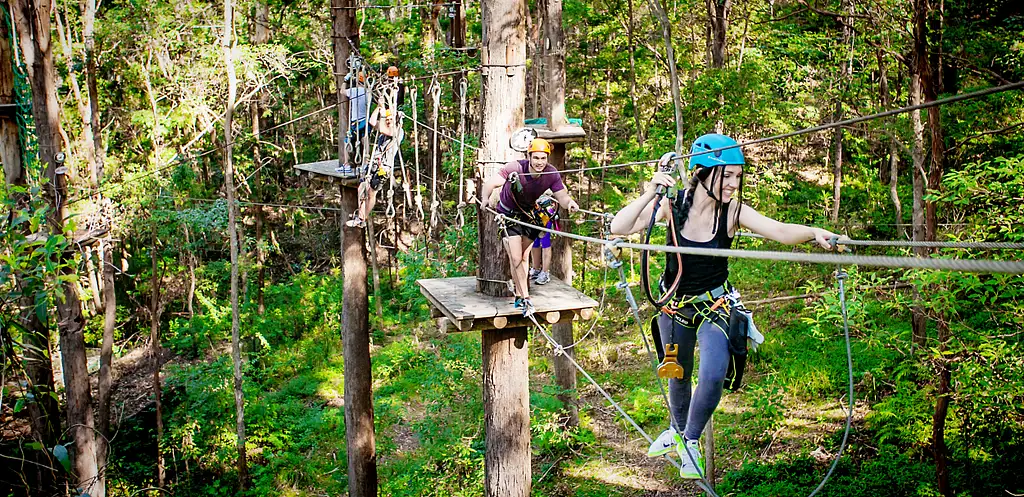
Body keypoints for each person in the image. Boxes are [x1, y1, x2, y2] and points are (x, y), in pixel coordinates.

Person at [609, 133, 845, 479]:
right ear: (703, 173)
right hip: (674, 309)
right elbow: (620, 226)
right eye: (727, 176)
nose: (734, 184)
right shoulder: (671, 207)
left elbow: (778, 231)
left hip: (715, 307)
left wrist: (813, 233)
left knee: (714, 373)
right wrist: (650, 191)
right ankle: (676, 430)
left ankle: (690, 441)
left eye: (738, 176)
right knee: (676, 372)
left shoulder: (733, 212)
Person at [481, 138, 579, 316]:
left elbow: (562, 196)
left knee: (523, 257)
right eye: (536, 158)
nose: (539, 162)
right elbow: (491, 183)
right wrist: (486, 198)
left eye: (543, 158)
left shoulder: (551, 174)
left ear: (547, 158)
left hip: (528, 215)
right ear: (529, 156)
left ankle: (519, 294)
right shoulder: (515, 168)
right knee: (516, 256)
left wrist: (570, 203)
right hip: (508, 215)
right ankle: (526, 298)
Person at [347, 97, 404, 228]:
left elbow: (385, 129)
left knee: (371, 192)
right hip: (374, 164)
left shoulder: (397, 131)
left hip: (384, 167)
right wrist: (379, 108)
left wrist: (384, 114)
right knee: (362, 188)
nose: (388, 122)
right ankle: (360, 215)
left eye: (391, 120)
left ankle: (362, 218)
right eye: (387, 120)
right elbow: (372, 122)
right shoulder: (384, 130)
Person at [529, 193, 559, 285]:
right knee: (534, 240)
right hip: (534, 211)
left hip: (546, 211)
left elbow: (562, 190)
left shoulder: (551, 179)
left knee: (545, 241)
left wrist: (551, 193)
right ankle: (536, 269)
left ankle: (545, 272)